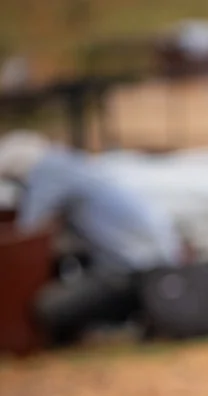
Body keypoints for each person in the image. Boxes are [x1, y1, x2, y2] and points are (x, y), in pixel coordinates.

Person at [0, 131, 183, 345]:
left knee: (48, 308)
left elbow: (26, 229)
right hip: (154, 262)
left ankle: (106, 331)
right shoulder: (71, 164)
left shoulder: (48, 173)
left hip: (134, 271)